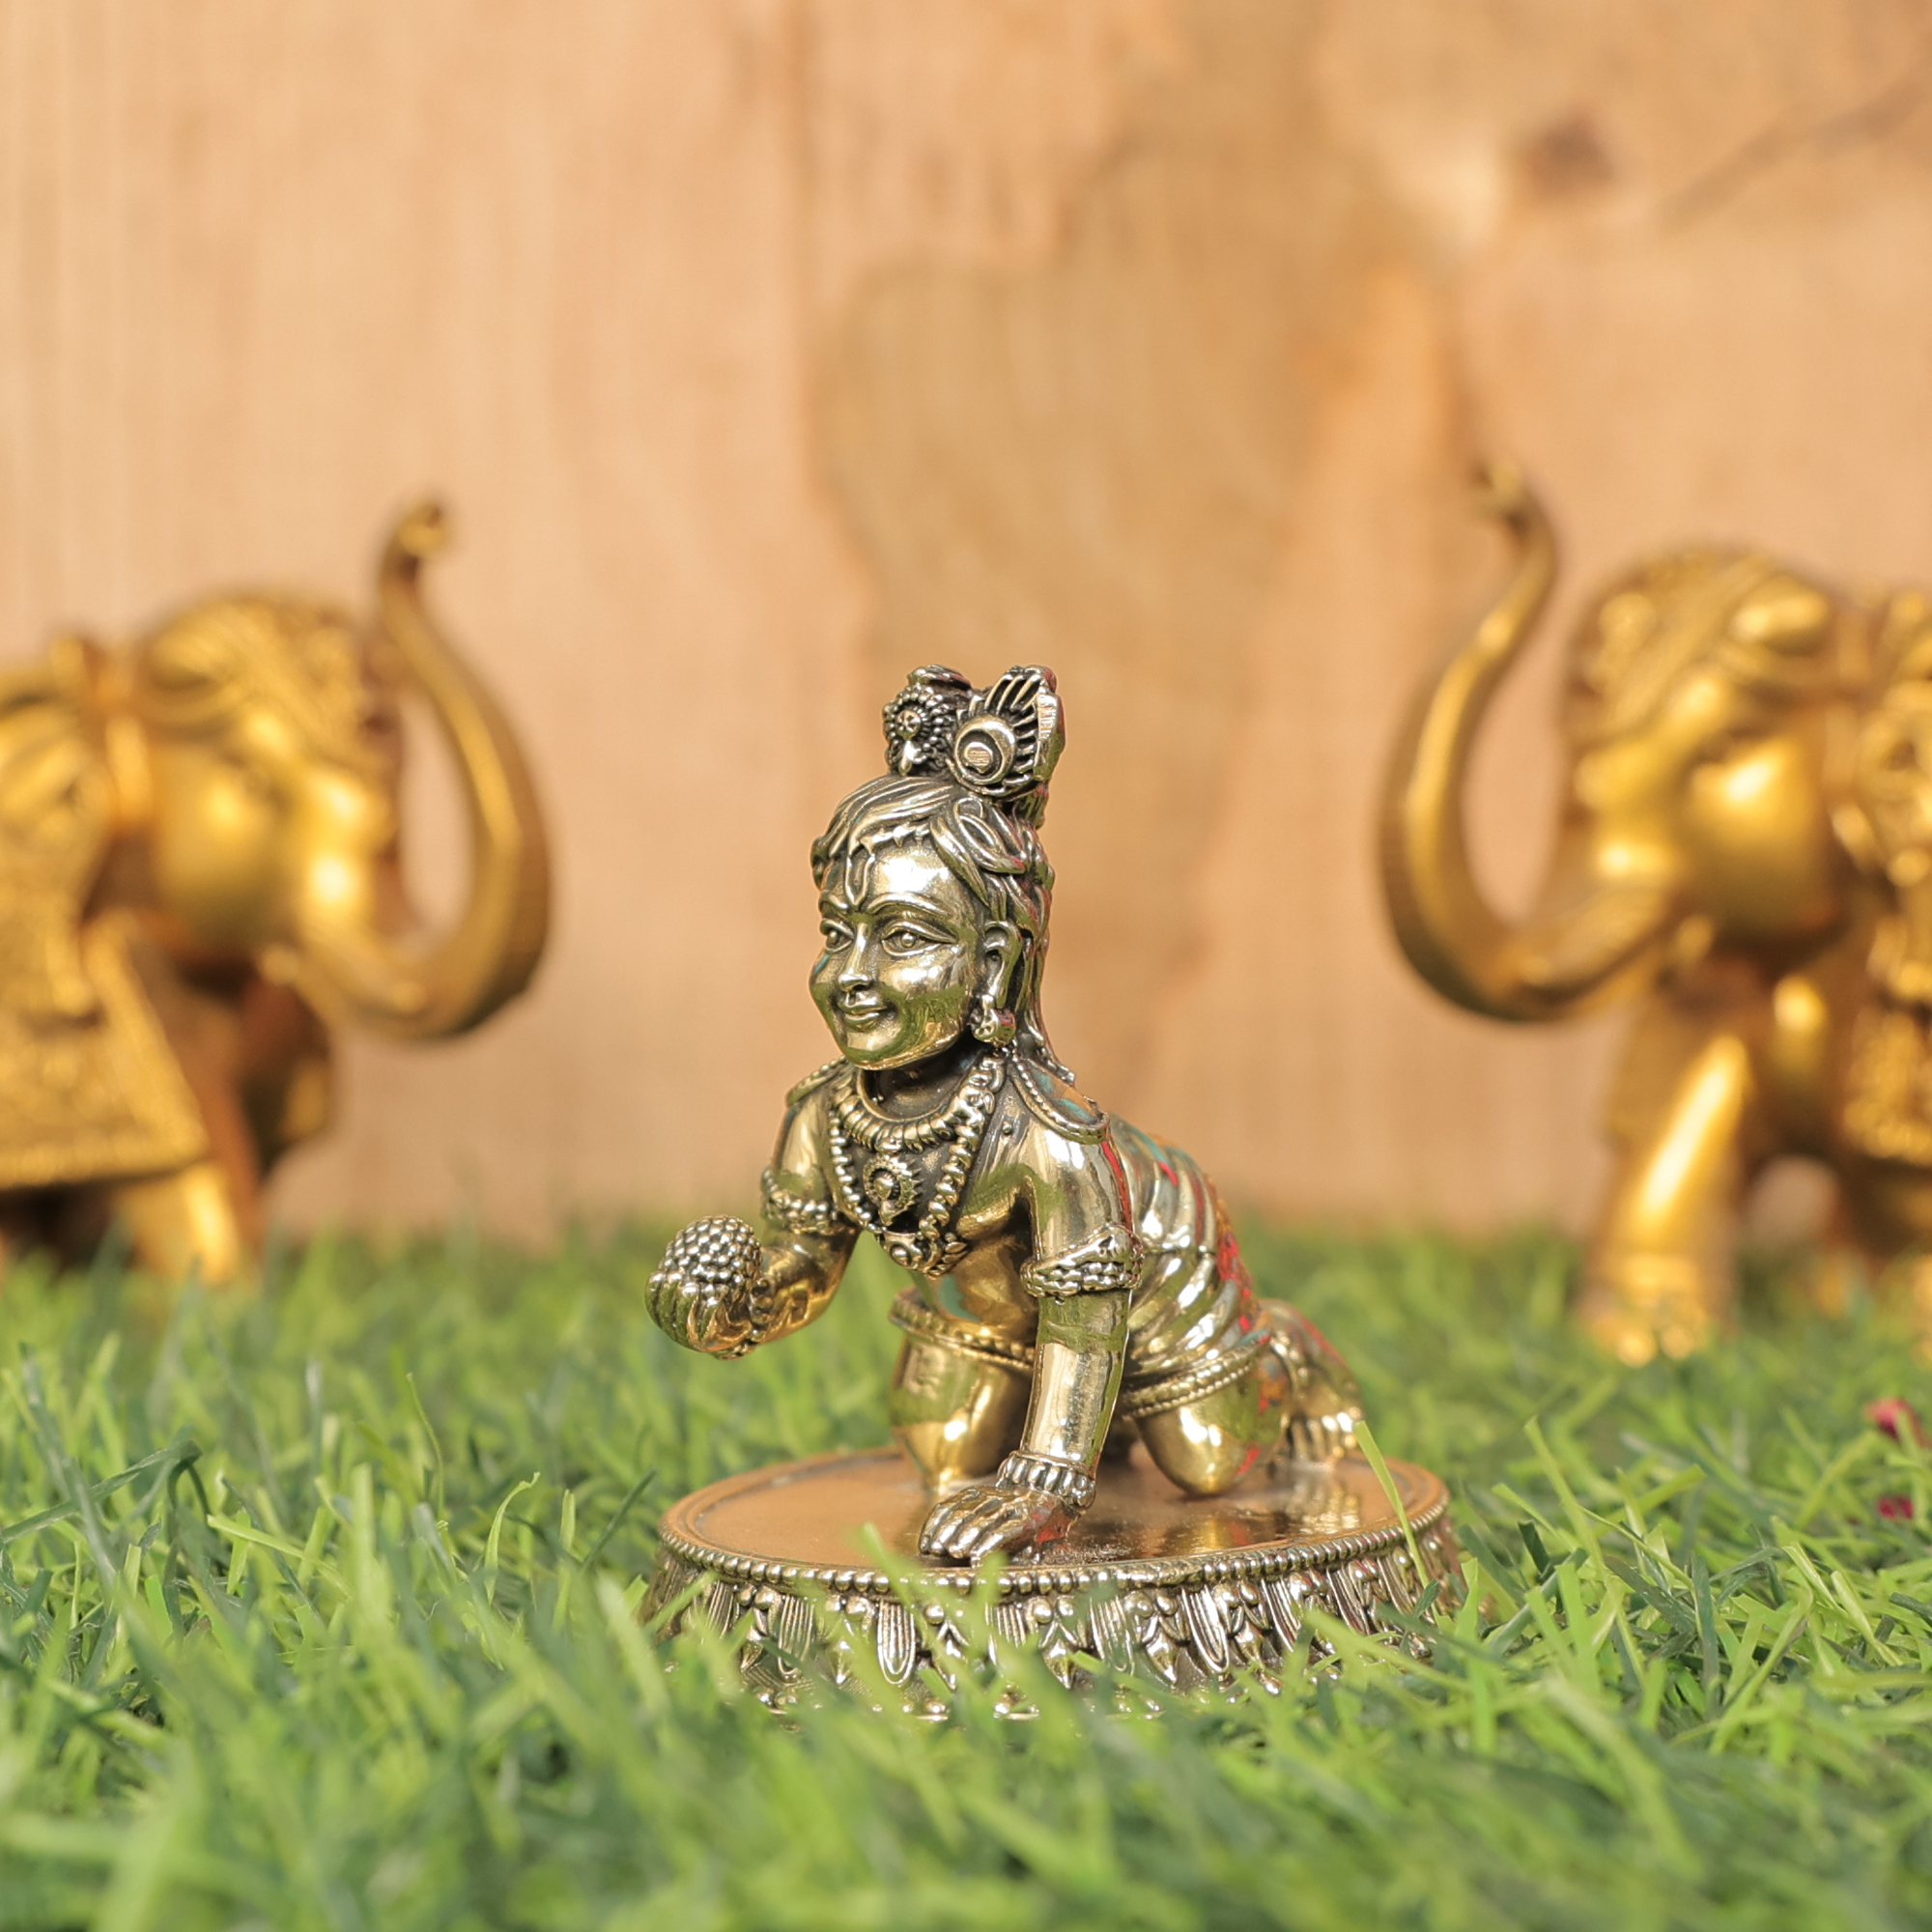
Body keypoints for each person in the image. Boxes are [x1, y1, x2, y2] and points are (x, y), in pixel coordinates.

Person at [647, 665, 1361, 1561]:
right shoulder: (824, 1116)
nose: (851, 975)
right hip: (988, 1314)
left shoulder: (1047, 1138)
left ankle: (1285, 1352)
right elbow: (808, 1263)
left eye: (903, 937)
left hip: (1147, 1280)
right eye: (837, 933)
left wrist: (1045, 1481)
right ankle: (1091, 1416)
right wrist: (739, 1304)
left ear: (992, 963)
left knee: (1212, 1457)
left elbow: (1084, 1320)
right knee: (941, 1453)